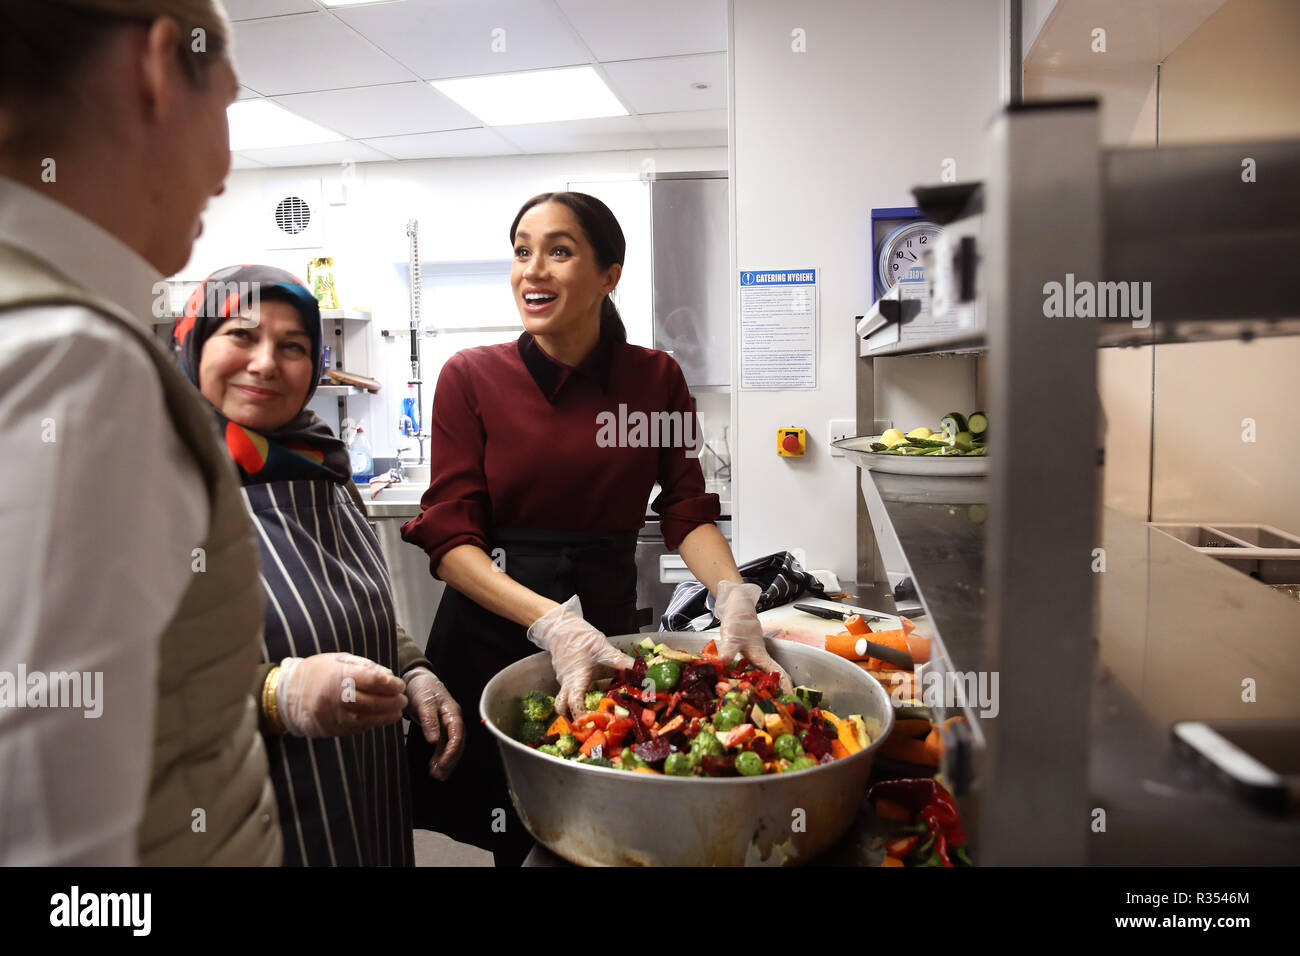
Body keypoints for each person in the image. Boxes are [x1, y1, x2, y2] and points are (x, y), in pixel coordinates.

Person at [400, 191, 790, 866]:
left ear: (610, 274)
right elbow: (451, 542)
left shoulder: (655, 379)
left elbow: (686, 510)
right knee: (517, 827)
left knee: (607, 824)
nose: (533, 270)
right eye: (522, 251)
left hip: (605, 625)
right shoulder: (470, 376)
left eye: (559, 250)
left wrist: (733, 595)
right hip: (497, 626)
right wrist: (552, 624)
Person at [0, 0, 280, 865]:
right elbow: (56, 849)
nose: (227, 170)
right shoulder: (74, 362)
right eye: (226, 105)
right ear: (159, 67)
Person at [176, 265, 465, 866]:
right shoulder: (154, 485)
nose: (265, 363)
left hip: (366, 789)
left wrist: (412, 669)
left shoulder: (323, 466)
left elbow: (353, 599)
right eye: (240, 336)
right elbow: (126, 689)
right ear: (194, 343)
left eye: (292, 346)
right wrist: (277, 695)